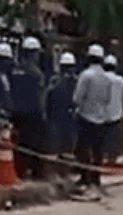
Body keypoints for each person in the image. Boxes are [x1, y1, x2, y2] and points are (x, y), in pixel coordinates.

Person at [73, 44, 111, 190]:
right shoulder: (106, 78)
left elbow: (77, 97)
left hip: (85, 116)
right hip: (101, 118)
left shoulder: (86, 75)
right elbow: (107, 99)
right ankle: (96, 178)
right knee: (98, 150)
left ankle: (84, 177)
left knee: (82, 149)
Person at [10, 36, 47, 179]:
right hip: (33, 115)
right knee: (35, 147)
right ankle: (36, 176)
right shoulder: (36, 74)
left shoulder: (14, 70)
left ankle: (19, 173)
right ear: (33, 53)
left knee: (19, 147)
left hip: (16, 114)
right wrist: (43, 115)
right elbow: (40, 97)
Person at [45, 51, 79, 157]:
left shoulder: (76, 81)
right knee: (55, 145)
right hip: (56, 115)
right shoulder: (54, 80)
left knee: (69, 146)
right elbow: (48, 95)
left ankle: (66, 168)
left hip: (69, 117)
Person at [103, 54, 123, 164]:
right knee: (113, 138)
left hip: (101, 114)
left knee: (101, 139)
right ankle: (111, 159)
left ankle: (101, 157)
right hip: (116, 114)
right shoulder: (120, 80)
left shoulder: (100, 77)